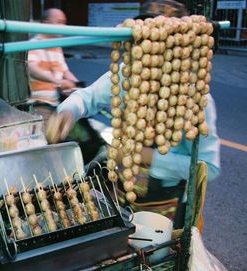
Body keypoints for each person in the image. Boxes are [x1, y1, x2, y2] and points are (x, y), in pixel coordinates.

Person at [46, 1, 221, 229]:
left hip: (166, 202)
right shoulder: (127, 75)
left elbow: (209, 167)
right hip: (123, 192)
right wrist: (68, 111)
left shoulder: (197, 100)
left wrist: (151, 158)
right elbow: (87, 97)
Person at [28, 8, 80, 121]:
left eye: (64, 23)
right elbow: (32, 68)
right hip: (39, 104)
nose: (64, 27)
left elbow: (65, 71)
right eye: (60, 22)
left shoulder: (57, 46)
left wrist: (79, 86)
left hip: (56, 102)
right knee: (52, 134)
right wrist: (58, 82)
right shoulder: (33, 44)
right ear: (47, 24)